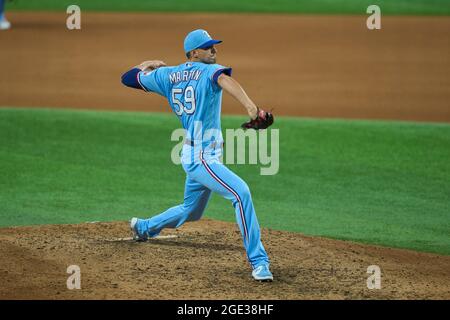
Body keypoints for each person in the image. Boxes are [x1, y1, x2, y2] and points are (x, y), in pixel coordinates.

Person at [121, 29, 274, 281]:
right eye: (208, 47)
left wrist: (145, 65)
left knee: (191, 211)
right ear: (193, 53)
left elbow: (128, 78)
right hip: (202, 157)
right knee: (241, 193)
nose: (214, 50)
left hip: (194, 154)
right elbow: (227, 81)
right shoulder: (208, 71)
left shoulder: (167, 75)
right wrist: (251, 108)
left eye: (214, 46)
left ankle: (144, 227)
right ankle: (259, 262)